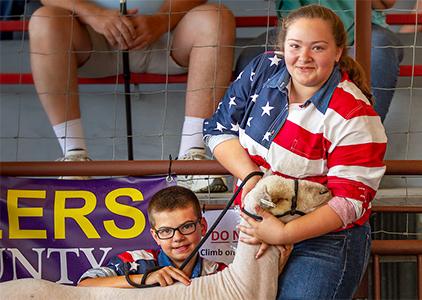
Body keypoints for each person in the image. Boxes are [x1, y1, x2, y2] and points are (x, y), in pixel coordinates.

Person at [204, 4, 387, 299]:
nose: (303, 57)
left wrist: (285, 234)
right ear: (283, 46)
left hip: (323, 239)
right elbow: (217, 130)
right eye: (295, 46)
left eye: (318, 48)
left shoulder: (354, 113)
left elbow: (350, 202)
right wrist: (252, 180)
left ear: (339, 51)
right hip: (258, 224)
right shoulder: (262, 69)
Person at [28, 0, 235, 192]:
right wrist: (94, 14)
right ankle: (74, 160)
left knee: (216, 16)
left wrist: (162, 18)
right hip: (91, 37)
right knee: (44, 20)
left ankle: (191, 162)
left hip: (167, 33)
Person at [235, 0, 404, 123]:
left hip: (363, 25)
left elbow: (386, 2)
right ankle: (259, 151)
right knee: (252, 57)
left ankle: (362, 141)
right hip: (298, 25)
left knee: (379, 48)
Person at [77, 185, 227, 288]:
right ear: (155, 236)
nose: (177, 237)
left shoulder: (217, 273)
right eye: (166, 231)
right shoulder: (132, 263)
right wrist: (144, 279)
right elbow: (84, 285)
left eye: (186, 226)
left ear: (203, 227)